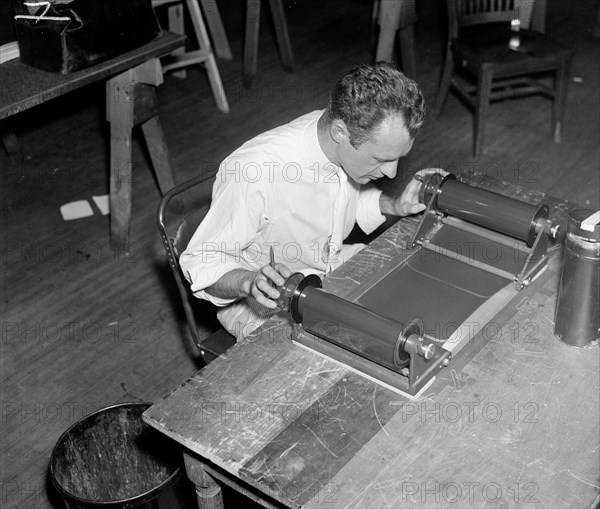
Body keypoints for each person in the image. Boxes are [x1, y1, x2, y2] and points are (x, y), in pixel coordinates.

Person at [180, 62, 444, 340]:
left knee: (418, 284)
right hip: (265, 302)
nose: (392, 172)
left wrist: (393, 205)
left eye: (398, 158)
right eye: (382, 159)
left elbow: (341, 199)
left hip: (329, 264)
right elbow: (201, 262)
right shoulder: (254, 171)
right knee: (352, 351)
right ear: (340, 133)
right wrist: (249, 281)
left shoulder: (336, 136)